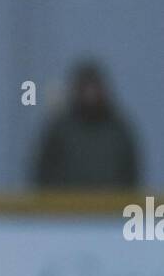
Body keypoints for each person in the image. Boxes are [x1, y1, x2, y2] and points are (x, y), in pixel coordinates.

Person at [32, 61, 140, 191]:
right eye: (85, 88)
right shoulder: (58, 130)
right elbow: (43, 173)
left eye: (94, 88)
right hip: (65, 209)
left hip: (110, 209)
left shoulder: (119, 131)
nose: (90, 94)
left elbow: (131, 174)